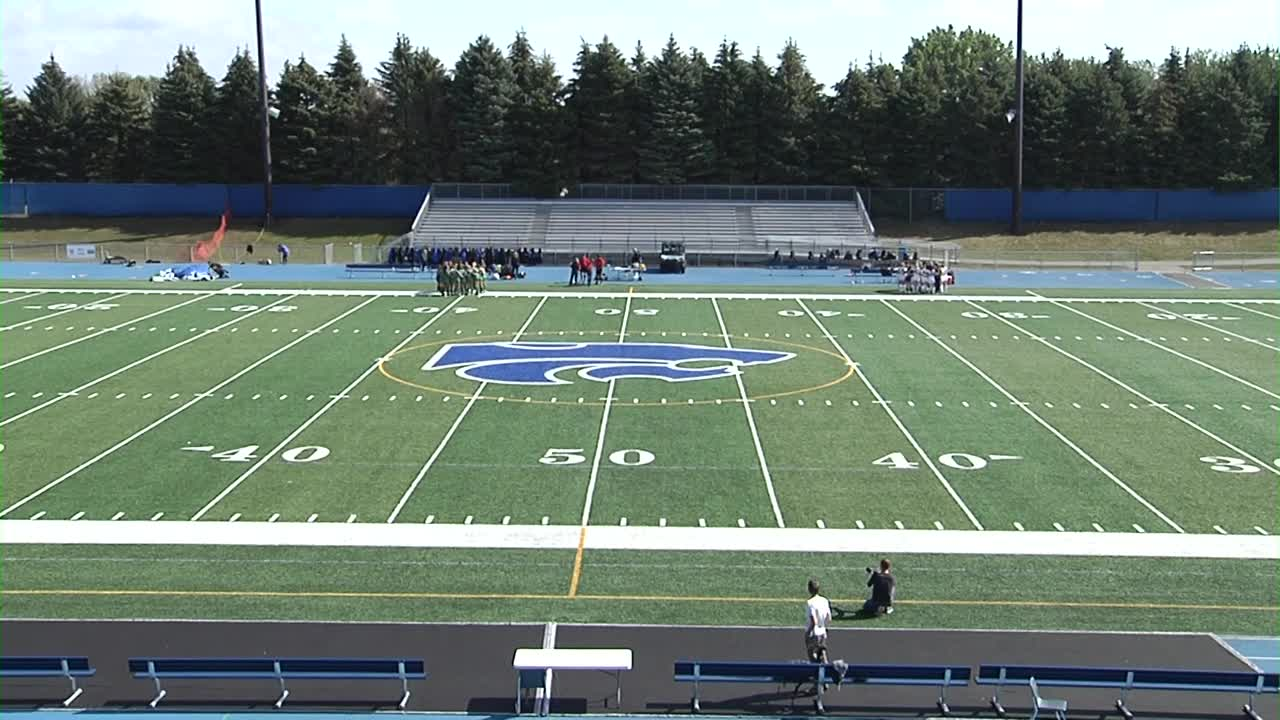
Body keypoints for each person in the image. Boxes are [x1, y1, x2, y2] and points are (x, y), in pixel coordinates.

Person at [804, 578, 832, 663]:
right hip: (822, 632)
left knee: (811, 652)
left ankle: (815, 668)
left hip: (814, 633)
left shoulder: (810, 602)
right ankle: (826, 667)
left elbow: (813, 621)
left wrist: (808, 633)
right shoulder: (824, 600)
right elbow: (829, 618)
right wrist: (826, 628)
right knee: (822, 652)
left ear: (809, 589)